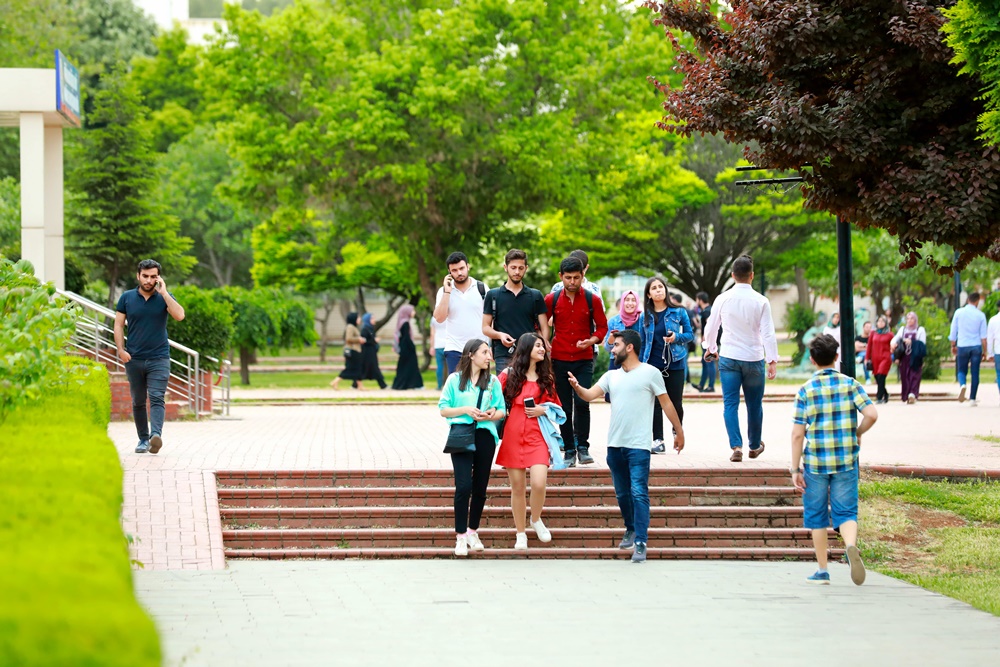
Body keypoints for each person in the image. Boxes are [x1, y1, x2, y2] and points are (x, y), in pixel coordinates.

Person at [566, 329, 685, 564]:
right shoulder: (611, 376)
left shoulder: (650, 373)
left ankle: (641, 541)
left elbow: (667, 403)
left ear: (630, 347)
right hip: (614, 445)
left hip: (639, 446)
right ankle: (630, 528)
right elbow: (589, 395)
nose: (612, 349)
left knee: (638, 492)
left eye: (617, 345)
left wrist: (678, 431)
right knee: (622, 494)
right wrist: (577, 387)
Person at [791, 333, 878, 586]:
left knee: (817, 516)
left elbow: (797, 434)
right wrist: (857, 432)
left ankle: (822, 571)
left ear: (812, 359)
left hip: (816, 462)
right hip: (846, 460)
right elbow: (872, 414)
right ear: (837, 356)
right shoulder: (850, 384)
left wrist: (795, 469)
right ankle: (850, 546)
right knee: (846, 511)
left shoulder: (806, 390)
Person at [702, 254, 779, 462]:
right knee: (754, 405)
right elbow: (768, 333)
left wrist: (710, 347)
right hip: (753, 357)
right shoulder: (761, 301)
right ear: (752, 275)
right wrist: (772, 360)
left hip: (729, 356)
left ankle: (736, 446)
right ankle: (754, 445)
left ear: (732, 275)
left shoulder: (722, 298)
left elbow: (711, 327)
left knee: (730, 404)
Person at [438, 339, 506, 556]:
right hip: (461, 435)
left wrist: (491, 415)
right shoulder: (454, 379)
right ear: (471, 355)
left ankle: (472, 531)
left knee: (480, 487)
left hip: (485, 435)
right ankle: (460, 536)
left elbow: (502, 410)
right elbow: (443, 409)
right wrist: (466, 409)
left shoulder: (493, 381)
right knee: (463, 486)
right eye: (484, 352)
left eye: (489, 352)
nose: (489, 357)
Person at [496, 333, 561, 549]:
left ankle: (535, 519)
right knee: (517, 487)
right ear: (526, 349)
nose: (542, 349)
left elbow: (557, 408)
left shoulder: (546, 378)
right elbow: (492, 396)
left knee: (538, 483)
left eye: (542, 346)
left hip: (537, 435)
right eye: (538, 346)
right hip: (513, 434)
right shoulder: (509, 374)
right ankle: (520, 533)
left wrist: (544, 409)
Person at [114, 259, 185, 455]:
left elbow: (180, 315)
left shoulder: (164, 297)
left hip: (159, 358)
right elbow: (118, 324)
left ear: (158, 278)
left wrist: (164, 293)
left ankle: (155, 436)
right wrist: (121, 350)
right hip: (134, 358)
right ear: (138, 276)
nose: (148, 280)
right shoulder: (127, 297)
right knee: (138, 400)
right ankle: (143, 439)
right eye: (145, 276)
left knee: (156, 397)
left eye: (153, 276)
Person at [545, 256, 608, 467]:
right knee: (564, 406)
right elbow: (539, 324)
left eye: (576, 277)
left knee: (582, 403)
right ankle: (569, 450)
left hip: (584, 359)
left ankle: (583, 447)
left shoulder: (592, 299)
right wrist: (545, 343)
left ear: (583, 276)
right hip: (559, 359)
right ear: (561, 276)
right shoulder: (551, 299)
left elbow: (602, 327)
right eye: (568, 278)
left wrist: (592, 340)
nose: (572, 282)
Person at [638, 277, 693, 454]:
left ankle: (677, 432)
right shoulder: (644, 316)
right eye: (654, 288)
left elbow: (690, 335)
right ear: (649, 294)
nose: (658, 290)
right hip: (652, 365)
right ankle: (658, 440)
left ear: (665, 290)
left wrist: (676, 337)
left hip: (675, 363)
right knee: (655, 403)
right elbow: (642, 342)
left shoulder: (678, 312)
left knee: (676, 402)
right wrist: (639, 365)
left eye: (660, 287)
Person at [482, 249, 549, 374]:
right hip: (503, 355)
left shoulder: (535, 295)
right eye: (513, 267)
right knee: (505, 386)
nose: (517, 272)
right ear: (505, 267)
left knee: (530, 387)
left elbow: (545, 327)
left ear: (526, 268)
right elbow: (485, 327)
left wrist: (541, 347)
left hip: (530, 355)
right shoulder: (493, 295)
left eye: (521, 268)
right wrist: (500, 335)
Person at [433, 251, 488, 374]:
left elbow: (491, 319)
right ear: (449, 272)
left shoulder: (482, 288)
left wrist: (490, 345)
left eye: (462, 268)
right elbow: (439, 318)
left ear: (468, 266)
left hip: (479, 348)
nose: (459, 273)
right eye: (454, 270)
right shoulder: (443, 291)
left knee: (480, 385)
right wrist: (447, 292)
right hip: (454, 349)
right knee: (457, 385)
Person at [949, 292, 988, 407]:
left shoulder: (958, 312)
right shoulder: (980, 315)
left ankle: (962, 384)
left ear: (967, 300)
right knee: (975, 372)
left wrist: (953, 345)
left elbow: (953, 330)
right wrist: (985, 351)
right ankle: (972, 399)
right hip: (976, 346)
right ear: (977, 301)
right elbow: (983, 337)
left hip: (962, 345)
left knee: (961, 370)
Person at [891, 312, 926, 404]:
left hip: (915, 356)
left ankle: (913, 394)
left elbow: (922, 344)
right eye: (908, 319)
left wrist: (912, 342)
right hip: (904, 356)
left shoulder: (920, 330)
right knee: (905, 375)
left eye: (912, 319)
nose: (910, 321)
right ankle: (906, 395)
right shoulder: (903, 329)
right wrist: (894, 344)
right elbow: (896, 338)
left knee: (914, 375)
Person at [604, 289, 643, 372]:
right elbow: (607, 349)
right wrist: (610, 340)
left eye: (633, 300)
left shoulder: (643, 320)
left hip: (637, 362)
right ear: (622, 302)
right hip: (617, 362)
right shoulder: (613, 321)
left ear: (637, 303)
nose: (630, 303)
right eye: (627, 300)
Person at [391, 304, 424, 390]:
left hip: (404, 348)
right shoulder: (405, 323)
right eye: (412, 310)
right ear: (407, 312)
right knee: (412, 366)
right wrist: (412, 346)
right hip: (407, 348)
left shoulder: (402, 322)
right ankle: (416, 385)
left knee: (404, 366)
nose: (414, 312)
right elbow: (406, 337)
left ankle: (403, 384)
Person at [331, 312, 365, 390]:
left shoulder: (354, 327)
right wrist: (359, 339)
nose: (359, 319)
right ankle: (335, 381)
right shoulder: (350, 327)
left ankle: (360, 386)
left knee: (358, 368)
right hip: (352, 350)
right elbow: (348, 338)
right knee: (351, 368)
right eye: (358, 318)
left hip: (356, 350)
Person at [865, 315, 894, 404]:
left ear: (886, 323)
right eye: (879, 321)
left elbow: (894, 345)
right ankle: (885, 394)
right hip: (875, 359)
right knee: (877, 378)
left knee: (881, 375)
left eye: (882, 321)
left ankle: (879, 397)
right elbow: (869, 346)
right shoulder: (873, 333)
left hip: (885, 358)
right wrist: (867, 358)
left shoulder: (890, 334)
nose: (880, 323)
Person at [695, 292, 717, 392]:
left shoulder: (707, 311)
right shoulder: (709, 309)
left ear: (700, 300)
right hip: (708, 341)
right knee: (705, 362)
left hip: (708, 342)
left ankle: (711, 386)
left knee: (709, 362)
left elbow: (709, 324)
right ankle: (701, 384)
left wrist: (705, 336)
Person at [359, 313, 387, 389]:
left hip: (371, 351)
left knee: (367, 368)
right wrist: (374, 341)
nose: (374, 320)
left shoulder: (370, 328)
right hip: (367, 352)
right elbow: (363, 341)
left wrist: (374, 341)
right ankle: (383, 385)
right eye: (372, 318)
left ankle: (355, 384)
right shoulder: (365, 329)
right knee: (372, 368)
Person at [430, 316, 447, 390]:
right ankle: (449, 386)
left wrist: (432, 347)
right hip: (448, 344)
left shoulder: (434, 318)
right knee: (450, 366)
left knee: (440, 366)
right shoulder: (449, 316)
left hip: (438, 345)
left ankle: (439, 385)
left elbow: (432, 334)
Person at [989, 301, 1000, 404]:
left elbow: (990, 338)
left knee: (999, 374)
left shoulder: (993, 320)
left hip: (998, 351)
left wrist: (990, 353)